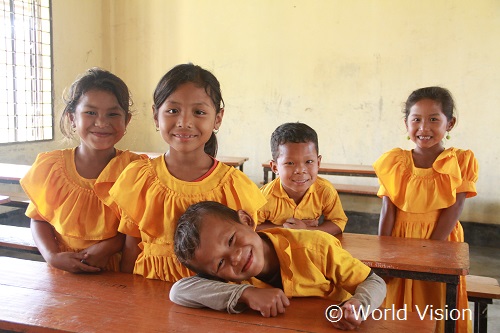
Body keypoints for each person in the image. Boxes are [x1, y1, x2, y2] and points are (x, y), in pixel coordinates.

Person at [109, 63, 266, 282]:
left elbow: (246, 257)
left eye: (199, 112)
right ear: (156, 116)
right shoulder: (139, 178)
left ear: (217, 118)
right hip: (148, 291)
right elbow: (131, 249)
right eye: (173, 111)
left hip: (214, 299)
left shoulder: (234, 186)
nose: (184, 122)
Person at [171, 201, 386, 331]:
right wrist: (246, 293)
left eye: (230, 240)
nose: (234, 258)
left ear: (246, 221)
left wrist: (360, 305)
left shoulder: (315, 247)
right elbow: (179, 291)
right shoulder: (232, 278)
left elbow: (374, 281)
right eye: (220, 263)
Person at [373, 86, 478, 333]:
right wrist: (383, 253)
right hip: (400, 241)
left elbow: (455, 207)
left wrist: (430, 250)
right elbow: (388, 210)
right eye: (416, 119)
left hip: (442, 241)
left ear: (449, 124)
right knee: (397, 298)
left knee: (437, 299)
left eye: (434, 119)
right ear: (406, 123)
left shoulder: (459, 161)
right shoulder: (394, 162)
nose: (424, 128)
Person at [20, 68, 144, 273]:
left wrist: (109, 246)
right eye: (90, 112)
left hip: (116, 272)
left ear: (126, 120)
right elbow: (38, 219)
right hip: (64, 270)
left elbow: (138, 227)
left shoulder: (135, 170)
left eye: (113, 114)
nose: (102, 122)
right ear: (72, 118)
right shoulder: (52, 168)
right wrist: (52, 257)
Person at [256, 122, 347, 236]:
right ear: (275, 167)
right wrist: (286, 229)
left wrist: (307, 230)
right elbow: (251, 226)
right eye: (290, 163)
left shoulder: (325, 190)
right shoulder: (264, 197)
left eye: (309, 162)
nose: (300, 170)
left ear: (318, 163)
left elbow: (338, 222)